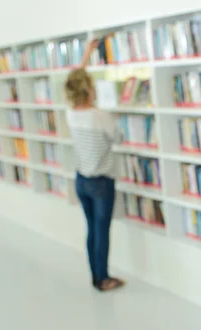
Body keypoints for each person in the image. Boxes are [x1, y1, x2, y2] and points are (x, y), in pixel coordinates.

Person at [65, 39, 124, 292]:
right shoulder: (100, 116)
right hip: (101, 183)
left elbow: (75, 78)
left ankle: (95, 276)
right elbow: (118, 138)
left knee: (91, 230)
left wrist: (88, 53)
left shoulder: (71, 112)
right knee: (102, 232)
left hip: (81, 181)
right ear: (88, 89)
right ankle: (104, 279)